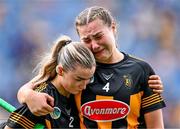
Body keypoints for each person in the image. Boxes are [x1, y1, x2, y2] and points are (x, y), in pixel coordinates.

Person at [17, 6, 165, 128]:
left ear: (113, 28)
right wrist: (29, 96)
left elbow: (156, 126)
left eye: (99, 36)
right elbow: (29, 88)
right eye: (86, 40)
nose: (94, 45)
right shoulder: (76, 69)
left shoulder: (141, 70)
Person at [3, 35, 96, 129]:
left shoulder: (78, 94)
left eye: (89, 79)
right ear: (60, 70)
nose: (84, 86)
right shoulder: (42, 99)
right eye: (79, 79)